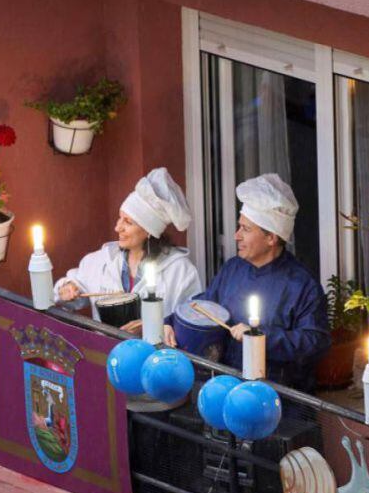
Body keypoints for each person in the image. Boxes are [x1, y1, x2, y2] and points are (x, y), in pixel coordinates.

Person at [165, 173, 330, 390]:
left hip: (279, 400)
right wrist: (171, 321)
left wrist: (261, 338)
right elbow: (204, 306)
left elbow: (315, 342)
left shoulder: (302, 285)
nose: (236, 236)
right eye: (239, 226)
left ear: (271, 238)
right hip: (225, 385)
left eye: (246, 229)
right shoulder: (232, 269)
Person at [54, 167, 202, 332]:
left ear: (148, 231)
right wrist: (66, 289)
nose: (118, 227)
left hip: (155, 356)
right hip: (106, 354)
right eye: (120, 218)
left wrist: (154, 327)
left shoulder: (180, 271)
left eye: (128, 222)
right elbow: (76, 287)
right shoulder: (102, 260)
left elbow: (192, 322)